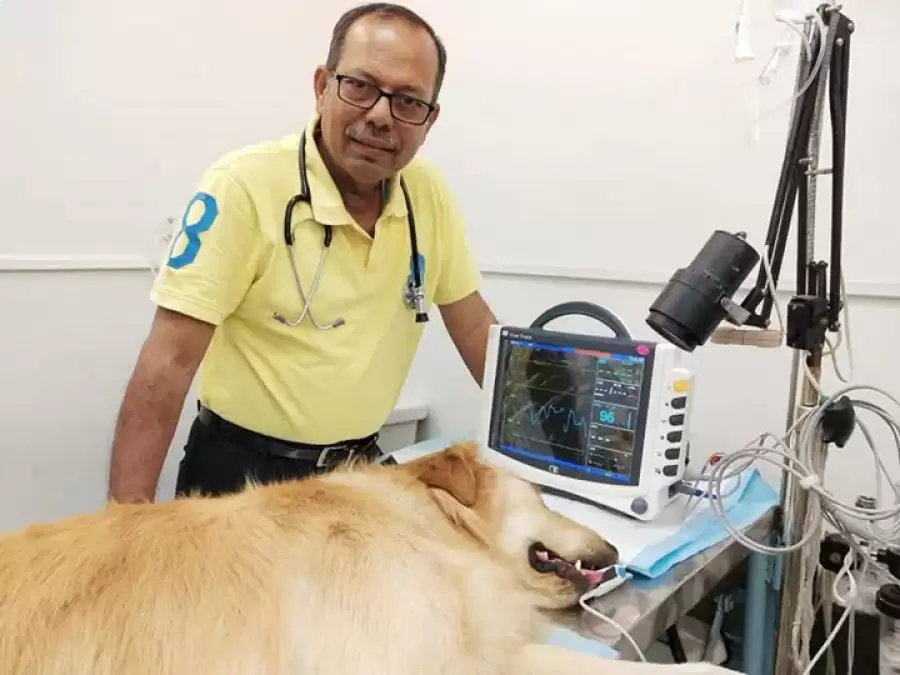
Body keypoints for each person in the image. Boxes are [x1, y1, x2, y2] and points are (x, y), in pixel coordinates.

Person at [107, 2, 498, 504]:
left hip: (357, 472)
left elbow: (474, 326)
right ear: (322, 86)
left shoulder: (428, 194)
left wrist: (550, 440)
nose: (381, 116)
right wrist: (124, 529)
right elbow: (168, 363)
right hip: (241, 478)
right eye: (360, 86)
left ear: (430, 119)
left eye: (408, 101)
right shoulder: (243, 186)